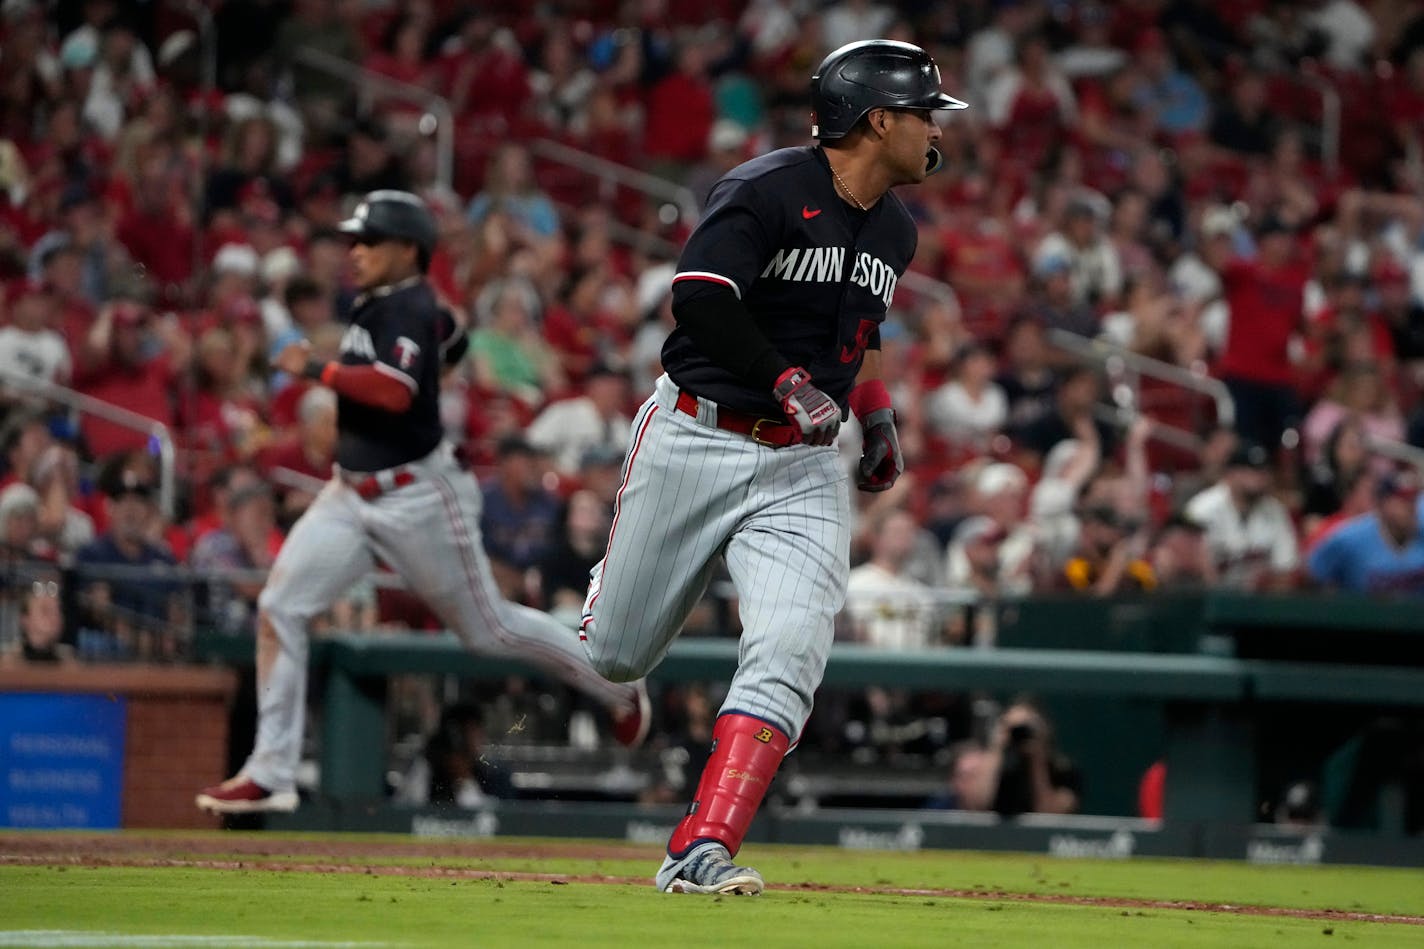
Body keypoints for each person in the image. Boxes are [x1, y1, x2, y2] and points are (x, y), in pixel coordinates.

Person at [577, 40, 966, 896]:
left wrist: (876, 414)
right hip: (698, 434)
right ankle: (604, 607)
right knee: (613, 656)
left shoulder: (895, 228)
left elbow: (856, 338)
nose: (937, 130)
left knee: (791, 644)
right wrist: (785, 378)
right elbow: (701, 296)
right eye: (925, 113)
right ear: (878, 121)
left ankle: (702, 843)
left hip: (803, 465)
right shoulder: (764, 189)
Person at [195, 191, 649, 816]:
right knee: (280, 605)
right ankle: (270, 768)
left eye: (369, 241)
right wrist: (447, 339)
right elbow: (452, 341)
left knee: (489, 630)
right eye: (353, 240)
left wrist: (317, 368)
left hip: (416, 495)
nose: (355, 251)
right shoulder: (393, 302)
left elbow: (394, 391)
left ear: (407, 250)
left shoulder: (406, 301)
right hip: (350, 492)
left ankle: (617, 688)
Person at [1184, 441, 1300, 590]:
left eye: (1262, 471)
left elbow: (1286, 566)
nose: (1258, 477)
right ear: (1230, 473)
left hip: (1259, 602)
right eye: (1249, 470)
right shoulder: (1202, 509)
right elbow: (1189, 565)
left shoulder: (1275, 511)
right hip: (1207, 599)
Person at [1308, 468, 1424, 595]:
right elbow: (1311, 575)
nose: (1410, 508)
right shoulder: (1349, 539)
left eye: (1413, 500)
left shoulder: (1420, 529)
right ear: (1382, 504)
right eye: (1403, 501)